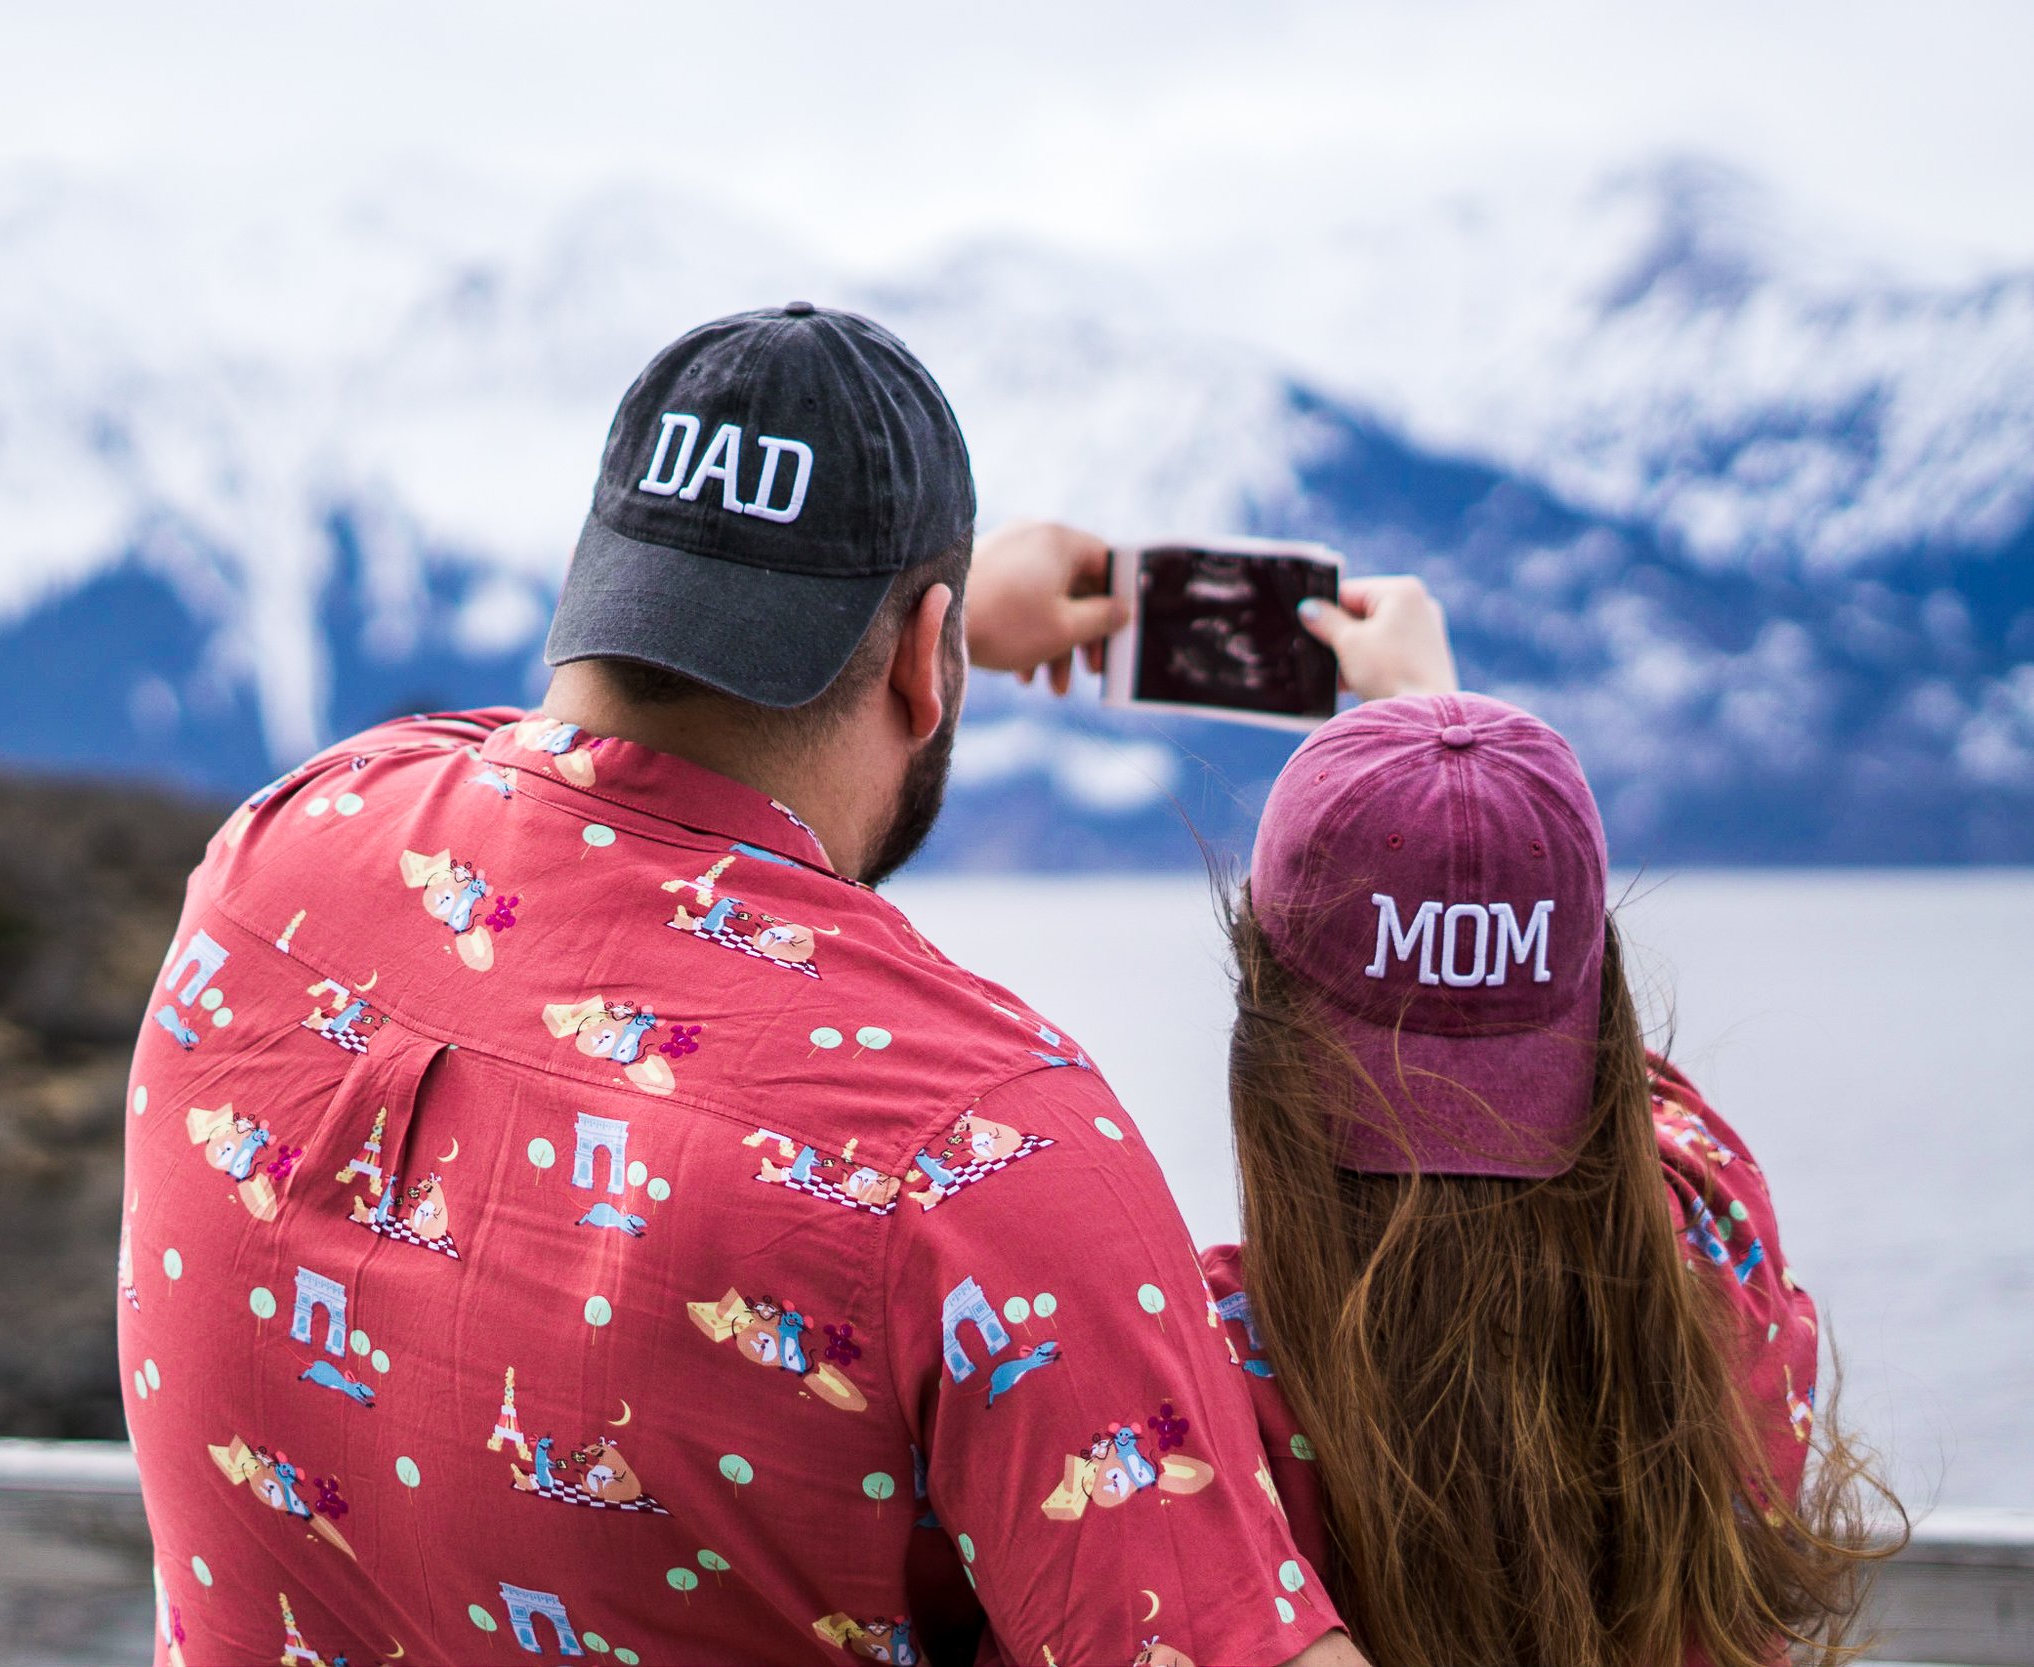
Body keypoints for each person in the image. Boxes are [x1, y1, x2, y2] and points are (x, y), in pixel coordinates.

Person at [116, 303, 1415, 1665]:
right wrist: (1436, 780)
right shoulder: (980, 1145)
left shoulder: (278, 857)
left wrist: (943, 616)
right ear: (930, 658)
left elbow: (564, 760)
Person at [1195, 693, 1896, 1667]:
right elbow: (1649, 1115)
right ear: (1597, 1009)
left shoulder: (1183, 1375)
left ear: (1259, 1008)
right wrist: (1475, 803)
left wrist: (1414, 797)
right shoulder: (1715, 1258)